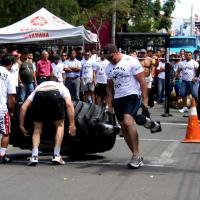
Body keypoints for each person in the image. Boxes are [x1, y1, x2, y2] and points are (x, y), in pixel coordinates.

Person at [104, 44, 148, 169]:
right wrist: (109, 105)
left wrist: (145, 100)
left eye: (110, 57)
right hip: (118, 98)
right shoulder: (108, 68)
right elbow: (109, 88)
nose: (109, 59)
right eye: (107, 57)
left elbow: (142, 82)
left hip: (132, 95)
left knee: (128, 122)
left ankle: (136, 155)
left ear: (116, 52)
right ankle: (136, 155)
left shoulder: (131, 61)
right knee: (123, 127)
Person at [19, 76, 76, 166]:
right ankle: (56, 155)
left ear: (46, 81)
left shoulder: (39, 87)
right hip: (54, 94)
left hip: (39, 96)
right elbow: (69, 104)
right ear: (57, 81)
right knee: (60, 125)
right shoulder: (61, 86)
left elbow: (23, 107)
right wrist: (72, 124)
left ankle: (34, 156)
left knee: (37, 129)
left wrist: (21, 125)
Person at [0, 54, 16, 163]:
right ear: (10, 64)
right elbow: (12, 97)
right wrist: (11, 111)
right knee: (5, 132)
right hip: (1, 108)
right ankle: (2, 155)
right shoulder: (9, 75)